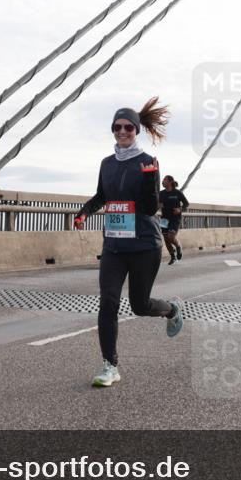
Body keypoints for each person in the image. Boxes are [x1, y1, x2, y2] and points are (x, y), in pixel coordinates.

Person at [74, 98, 183, 388]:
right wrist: (84, 212)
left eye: (128, 128)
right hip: (113, 247)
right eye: (117, 127)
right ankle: (110, 365)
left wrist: (150, 182)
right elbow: (102, 196)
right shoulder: (107, 164)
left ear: (136, 131)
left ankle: (171, 310)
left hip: (144, 246)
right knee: (107, 303)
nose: (122, 132)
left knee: (139, 304)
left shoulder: (148, 162)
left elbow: (149, 209)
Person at [159, 174, 189, 265]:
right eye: (163, 180)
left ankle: (178, 246)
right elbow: (158, 204)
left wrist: (179, 209)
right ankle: (173, 256)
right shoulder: (161, 193)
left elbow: (186, 204)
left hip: (175, 218)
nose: (163, 181)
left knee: (171, 237)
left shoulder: (177, 192)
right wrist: (158, 205)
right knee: (166, 239)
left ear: (170, 182)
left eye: (165, 180)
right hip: (164, 219)